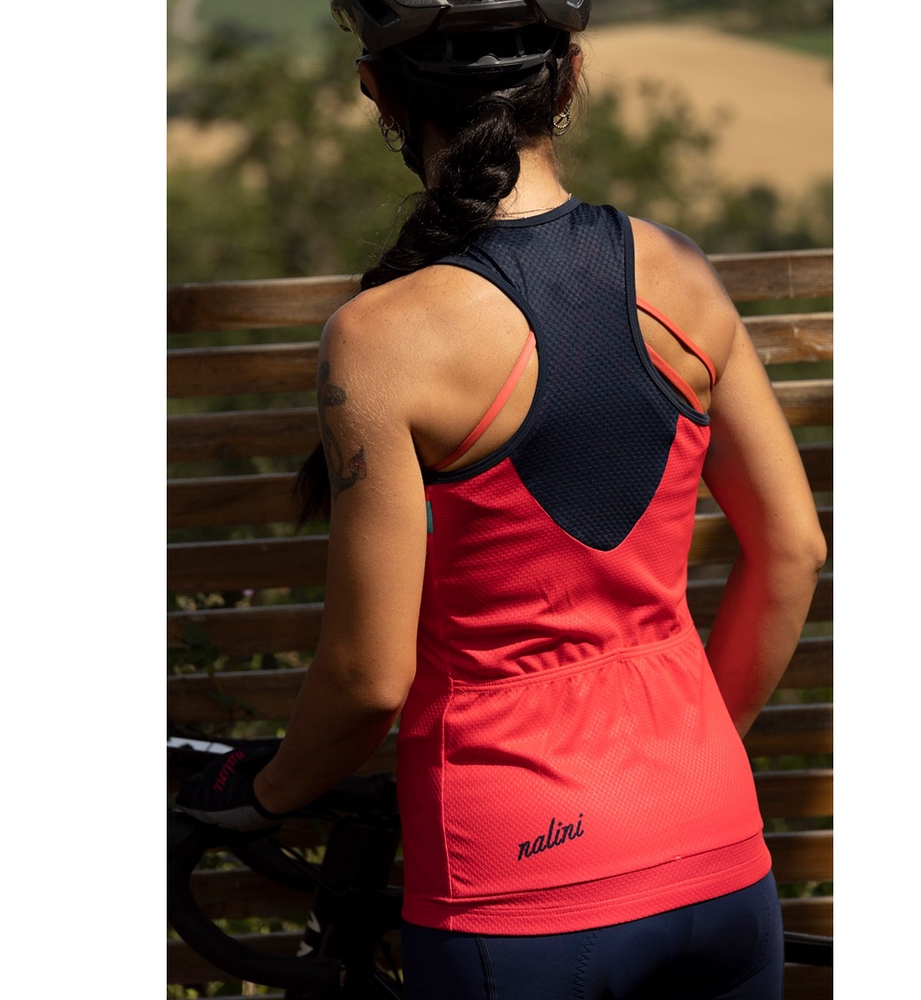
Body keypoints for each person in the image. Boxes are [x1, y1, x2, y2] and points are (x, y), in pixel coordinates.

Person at [177, 1, 827, 996]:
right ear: (570, 77)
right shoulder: (682, 273)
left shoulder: (381, 338)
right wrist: (687, 762)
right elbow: (792, 551)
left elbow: (367, 678)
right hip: (716, 851)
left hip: (517, 888)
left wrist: (263, 794)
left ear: (379, 93)